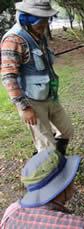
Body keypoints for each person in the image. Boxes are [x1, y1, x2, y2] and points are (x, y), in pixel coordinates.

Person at [0, 0, 74, 155]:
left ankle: (58, 157)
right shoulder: (13, 40)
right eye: (41, 19)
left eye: (47, 18)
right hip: (31, 101)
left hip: (49, 96)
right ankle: (49, 170)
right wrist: (25, 108)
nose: (45, 23)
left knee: (67, 130)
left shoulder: (39, 34)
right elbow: (8, 77)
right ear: (27, 18)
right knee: (47, 147)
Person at [0, 149, 84, 228]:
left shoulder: (11, 213)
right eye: (69, 178)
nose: (73, 182)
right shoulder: (75, 225)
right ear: (61, 186)